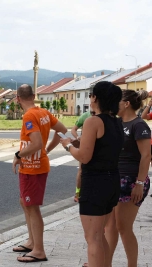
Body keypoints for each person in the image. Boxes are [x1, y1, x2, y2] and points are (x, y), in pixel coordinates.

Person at [60, 81, 124, 267]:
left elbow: (85, 157)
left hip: (95, 183)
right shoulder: (117, 122)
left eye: (91, 95)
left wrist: (68, 146)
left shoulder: (93, 121)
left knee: (93, 238)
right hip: (112, 181)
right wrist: (80, 144)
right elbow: (103, 148)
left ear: (95, 98)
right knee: (99, 235)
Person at [12, 84, 67, 263]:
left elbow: (35, 143)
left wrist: (18, 155)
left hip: (32, 168)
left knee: (32, 207)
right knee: (25, 202)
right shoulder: (43, 112)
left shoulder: (29, 115)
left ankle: (39, 250)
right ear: (34, 96)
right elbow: (62, 130)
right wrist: (47, 150)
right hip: (35, 165)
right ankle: (32, 241)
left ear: (18, 99)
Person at [105, 90, 151, 267]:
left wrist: (139, 183)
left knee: (123, 227)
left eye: (117, 101)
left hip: (132, 180)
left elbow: (146, 156)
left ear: (126, 104)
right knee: (110, 226)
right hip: (114, 178)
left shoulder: (139, 125)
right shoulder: (116, 123)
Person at [71, 111, 95, 202]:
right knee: (81, 169)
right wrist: (78, 137)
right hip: (85, 145)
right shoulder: (85, 115)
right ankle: (77, 194)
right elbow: (74, 129)